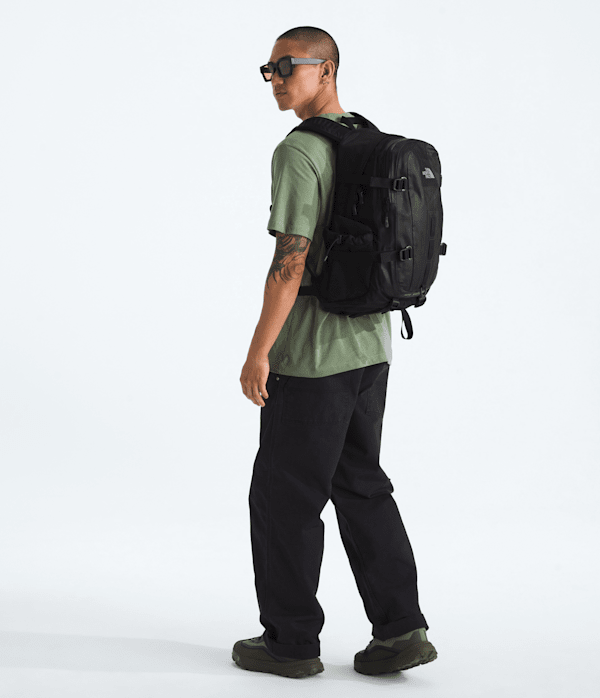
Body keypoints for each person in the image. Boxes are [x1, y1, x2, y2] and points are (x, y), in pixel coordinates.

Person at [233, 26, 437, 679]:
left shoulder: (300, 151)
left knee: (284, 497)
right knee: (362, 484)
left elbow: (290, 263)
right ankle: (401, 630)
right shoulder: (367, 137)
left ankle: (289, 643)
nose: (275, 78)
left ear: (326, 70)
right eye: (268, 69)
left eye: (287, 65)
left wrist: (259, 351)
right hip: (372, 347)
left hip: (312, 358)